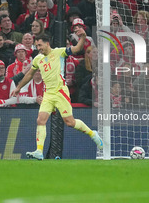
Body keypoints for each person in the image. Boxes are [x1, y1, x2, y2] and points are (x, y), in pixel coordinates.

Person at [11, 32, 103, 160]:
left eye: (40, 45)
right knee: (40, 120)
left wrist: (82, 37)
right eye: (36, 46)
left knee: (70, 122)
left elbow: (76, 49)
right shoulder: (38, 59)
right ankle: (39, 151)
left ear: (47, 43)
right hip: (48, 93)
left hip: (60, 92)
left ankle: (93, 134)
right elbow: (30, 74)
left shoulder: (59, 52)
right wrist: (18, 88)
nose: (38, 48)